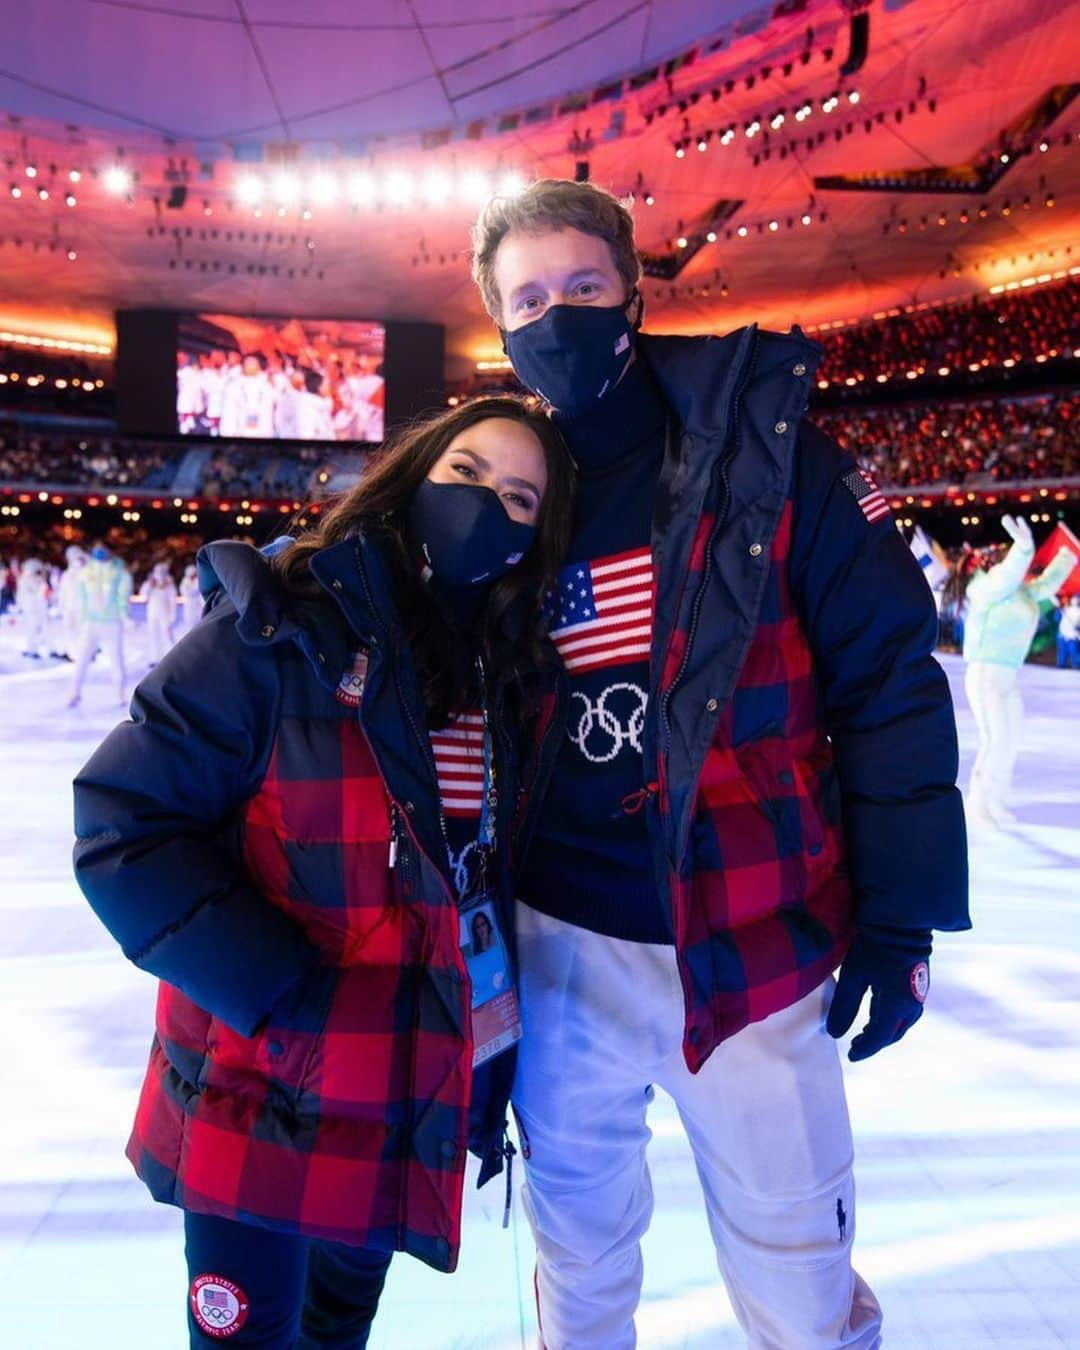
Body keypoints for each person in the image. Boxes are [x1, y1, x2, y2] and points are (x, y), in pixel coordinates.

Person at [470, 178, 970, 1349]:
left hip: (753, 941)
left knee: (800, 1285)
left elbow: (890, 682)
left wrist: (901, 924)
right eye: (529, 299)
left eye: (582, 287)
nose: (559, 317)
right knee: (578, 1271)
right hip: (561, 953)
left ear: (633, 296)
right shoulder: (503, 489)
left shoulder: (767, 447)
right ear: (501, 331)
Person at [72, 397, 575, 1349]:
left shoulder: (503, 672)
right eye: (467, 474)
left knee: (338, 1331)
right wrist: (272, 986)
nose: (486, 507)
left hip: (398, 1085)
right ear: (414, 472)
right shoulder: (280, 627)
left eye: (519, 499)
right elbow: (120, 822)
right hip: (261, 1086)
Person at [962, 515, 1076, 826]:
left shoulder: (1022, 593)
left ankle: (996, 801)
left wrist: (1070, 554)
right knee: (994, 738)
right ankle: (978, 802)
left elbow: (1048, 583)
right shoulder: (983, 590)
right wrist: (1023, 550)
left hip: (1008, 677)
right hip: (986, 674)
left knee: (1009, 740)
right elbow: (1006, 577)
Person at [67, 542, 132, 707]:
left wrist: (126, 616)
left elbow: (123, 597)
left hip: (111, 622)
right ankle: (75, 693)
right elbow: (81, 597)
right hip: (91, 623)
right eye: (97, 549)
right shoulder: (86, 571)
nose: (100, 552)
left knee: (116, 659)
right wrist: (80, 620)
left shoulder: (119, 572)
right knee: (82, 659)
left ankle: (120, 694)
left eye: (104, 549)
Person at [57, 544, 88, 661]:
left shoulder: (85, 570)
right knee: (71, 631)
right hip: (70, 607)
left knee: (80, 632)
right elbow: (64, 591)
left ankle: (80, 655)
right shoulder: (68, 572)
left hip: (80, 607)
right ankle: (73, 653)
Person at [16, 556, 50, 659]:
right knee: (32, 629)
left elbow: (41, 593)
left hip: (34, 608)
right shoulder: (28, 579)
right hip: (31, 608)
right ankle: (32, 649)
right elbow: (22, 594)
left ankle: (33, 649)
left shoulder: (32, 579)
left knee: (34, 629)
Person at [1056, 592, 1080, 669]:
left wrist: (1078, 627)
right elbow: (1057, 619)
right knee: (1062, 653)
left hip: (1073, 636)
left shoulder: (1078, 611)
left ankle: (1075, 667)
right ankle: (1060, 666)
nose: (1075, 600)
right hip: (1062, 634)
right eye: (1074, 598)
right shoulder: (1065, 609)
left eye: (1077, 599)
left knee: (1073, 652)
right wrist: (1059, 611)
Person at [178, 561, 202, 636]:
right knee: (190, 626)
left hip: (198, 606)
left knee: (199, 626)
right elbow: (186, 592)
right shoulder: (185, 581)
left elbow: (199, 589)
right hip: (189, 607)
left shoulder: (199, 580)